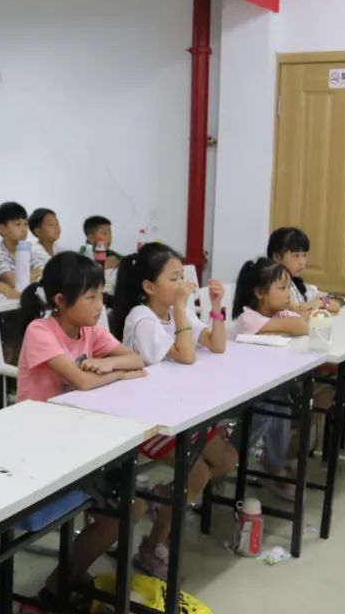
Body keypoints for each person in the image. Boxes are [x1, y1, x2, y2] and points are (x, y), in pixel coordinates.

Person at [17, 252, 147, 604]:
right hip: (39, 443)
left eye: (100, 294)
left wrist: (111, 365)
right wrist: (117, 372)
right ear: (61, 301)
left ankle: (66, 577)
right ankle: (63, 581)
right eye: (90, 297)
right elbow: (83, 381)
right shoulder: (40, 331)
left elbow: (136, 358)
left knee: (132, 506)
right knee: (127, 508)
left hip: (80, 435)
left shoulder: (89, 329)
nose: (99, 304)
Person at [111, 242, 237, 578]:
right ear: (149, 286)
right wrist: (182, 308)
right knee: (197, 474)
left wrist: (216, 306)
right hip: (147, 419)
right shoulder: (142, 318)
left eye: (183, 276)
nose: (183, 284)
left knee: (227, 458)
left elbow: (217, 345)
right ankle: (150, 547)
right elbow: (186, 355)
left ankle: (163, 498)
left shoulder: (176, 311)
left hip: (178, 409)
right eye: (174, 278)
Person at [232, 257, 310, 500]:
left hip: (262, 385)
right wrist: (297, 312)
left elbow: (303, 322)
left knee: (280, 406)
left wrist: (295, 311)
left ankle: (274, 466)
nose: (288, 294)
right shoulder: (249, 318)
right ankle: (229, 455)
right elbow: (301, 326)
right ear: (259, 293)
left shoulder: (278, 313)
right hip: (235, 389)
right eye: (282, 288)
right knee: (267, 410)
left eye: (289, 287)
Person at [267, 226, 342, 313]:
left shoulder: (298, 285)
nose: (302, 262)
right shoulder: (274, 288)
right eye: (296, 256)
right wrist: (313, 306)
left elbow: (336, 305)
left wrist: (320, 303)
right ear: (277, 257)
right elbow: (300, 312)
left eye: (304, 255)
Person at [0, 201, 47, 288]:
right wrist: (33, 274)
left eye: (25, 224)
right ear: (2, 229)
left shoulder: (28, 251)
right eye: (18, 224)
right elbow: (13, 282)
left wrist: (25, 278)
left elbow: (45, 273)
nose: (24, 229)